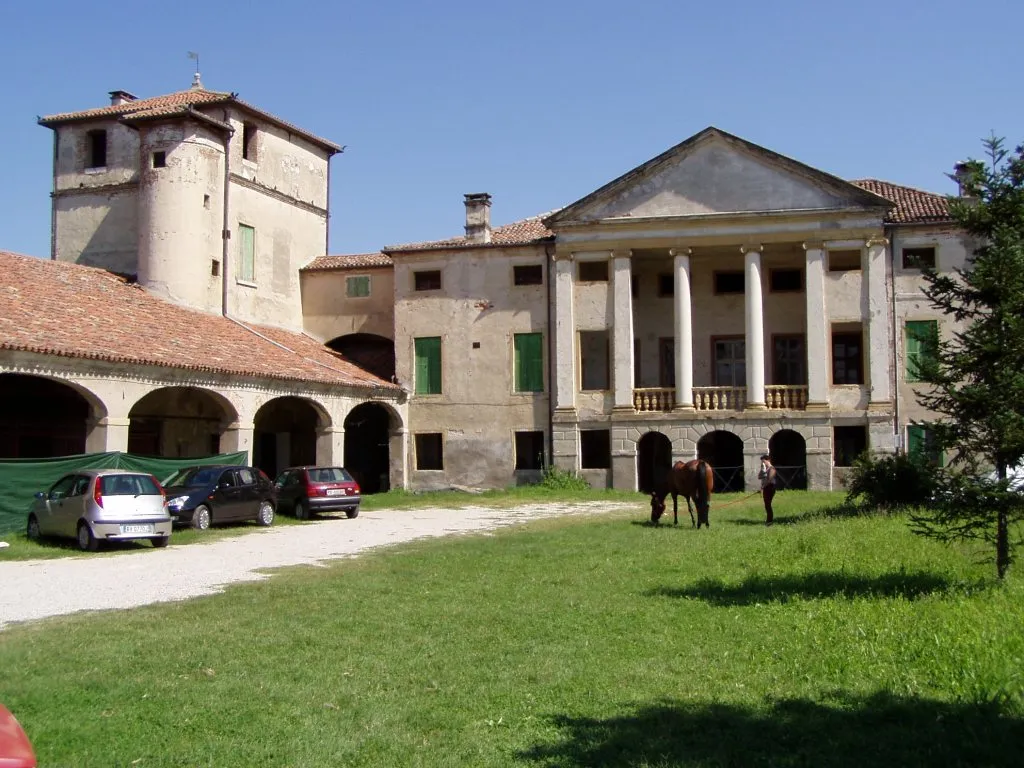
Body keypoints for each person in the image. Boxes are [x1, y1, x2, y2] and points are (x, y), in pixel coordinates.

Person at [758, 454, 777, 526]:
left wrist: (762, 487)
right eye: (762, 462)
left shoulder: (772, 469)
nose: (763, 463)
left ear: (768, 460)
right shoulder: (765, 469)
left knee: (768, 504)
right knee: (766, 504)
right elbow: (759, 477)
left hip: (770, 487)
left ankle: (770, 521)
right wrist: (762, 469)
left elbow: (769, 480)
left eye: (764, 462)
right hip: (766, 488)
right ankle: (769, 520)